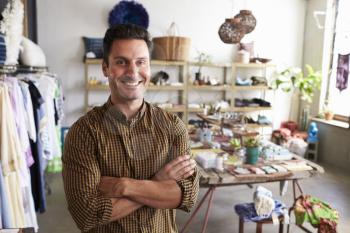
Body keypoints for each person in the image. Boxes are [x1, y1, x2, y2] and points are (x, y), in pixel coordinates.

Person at [62, 23, 199, 233]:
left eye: (141, 62)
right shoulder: (83, 133)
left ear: (149, 67)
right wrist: (158, 183)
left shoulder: (172, 127)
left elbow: (186, 196)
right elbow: (87, 214)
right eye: (121, 62)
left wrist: (124, 186)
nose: (133, 72)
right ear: (105, 67)